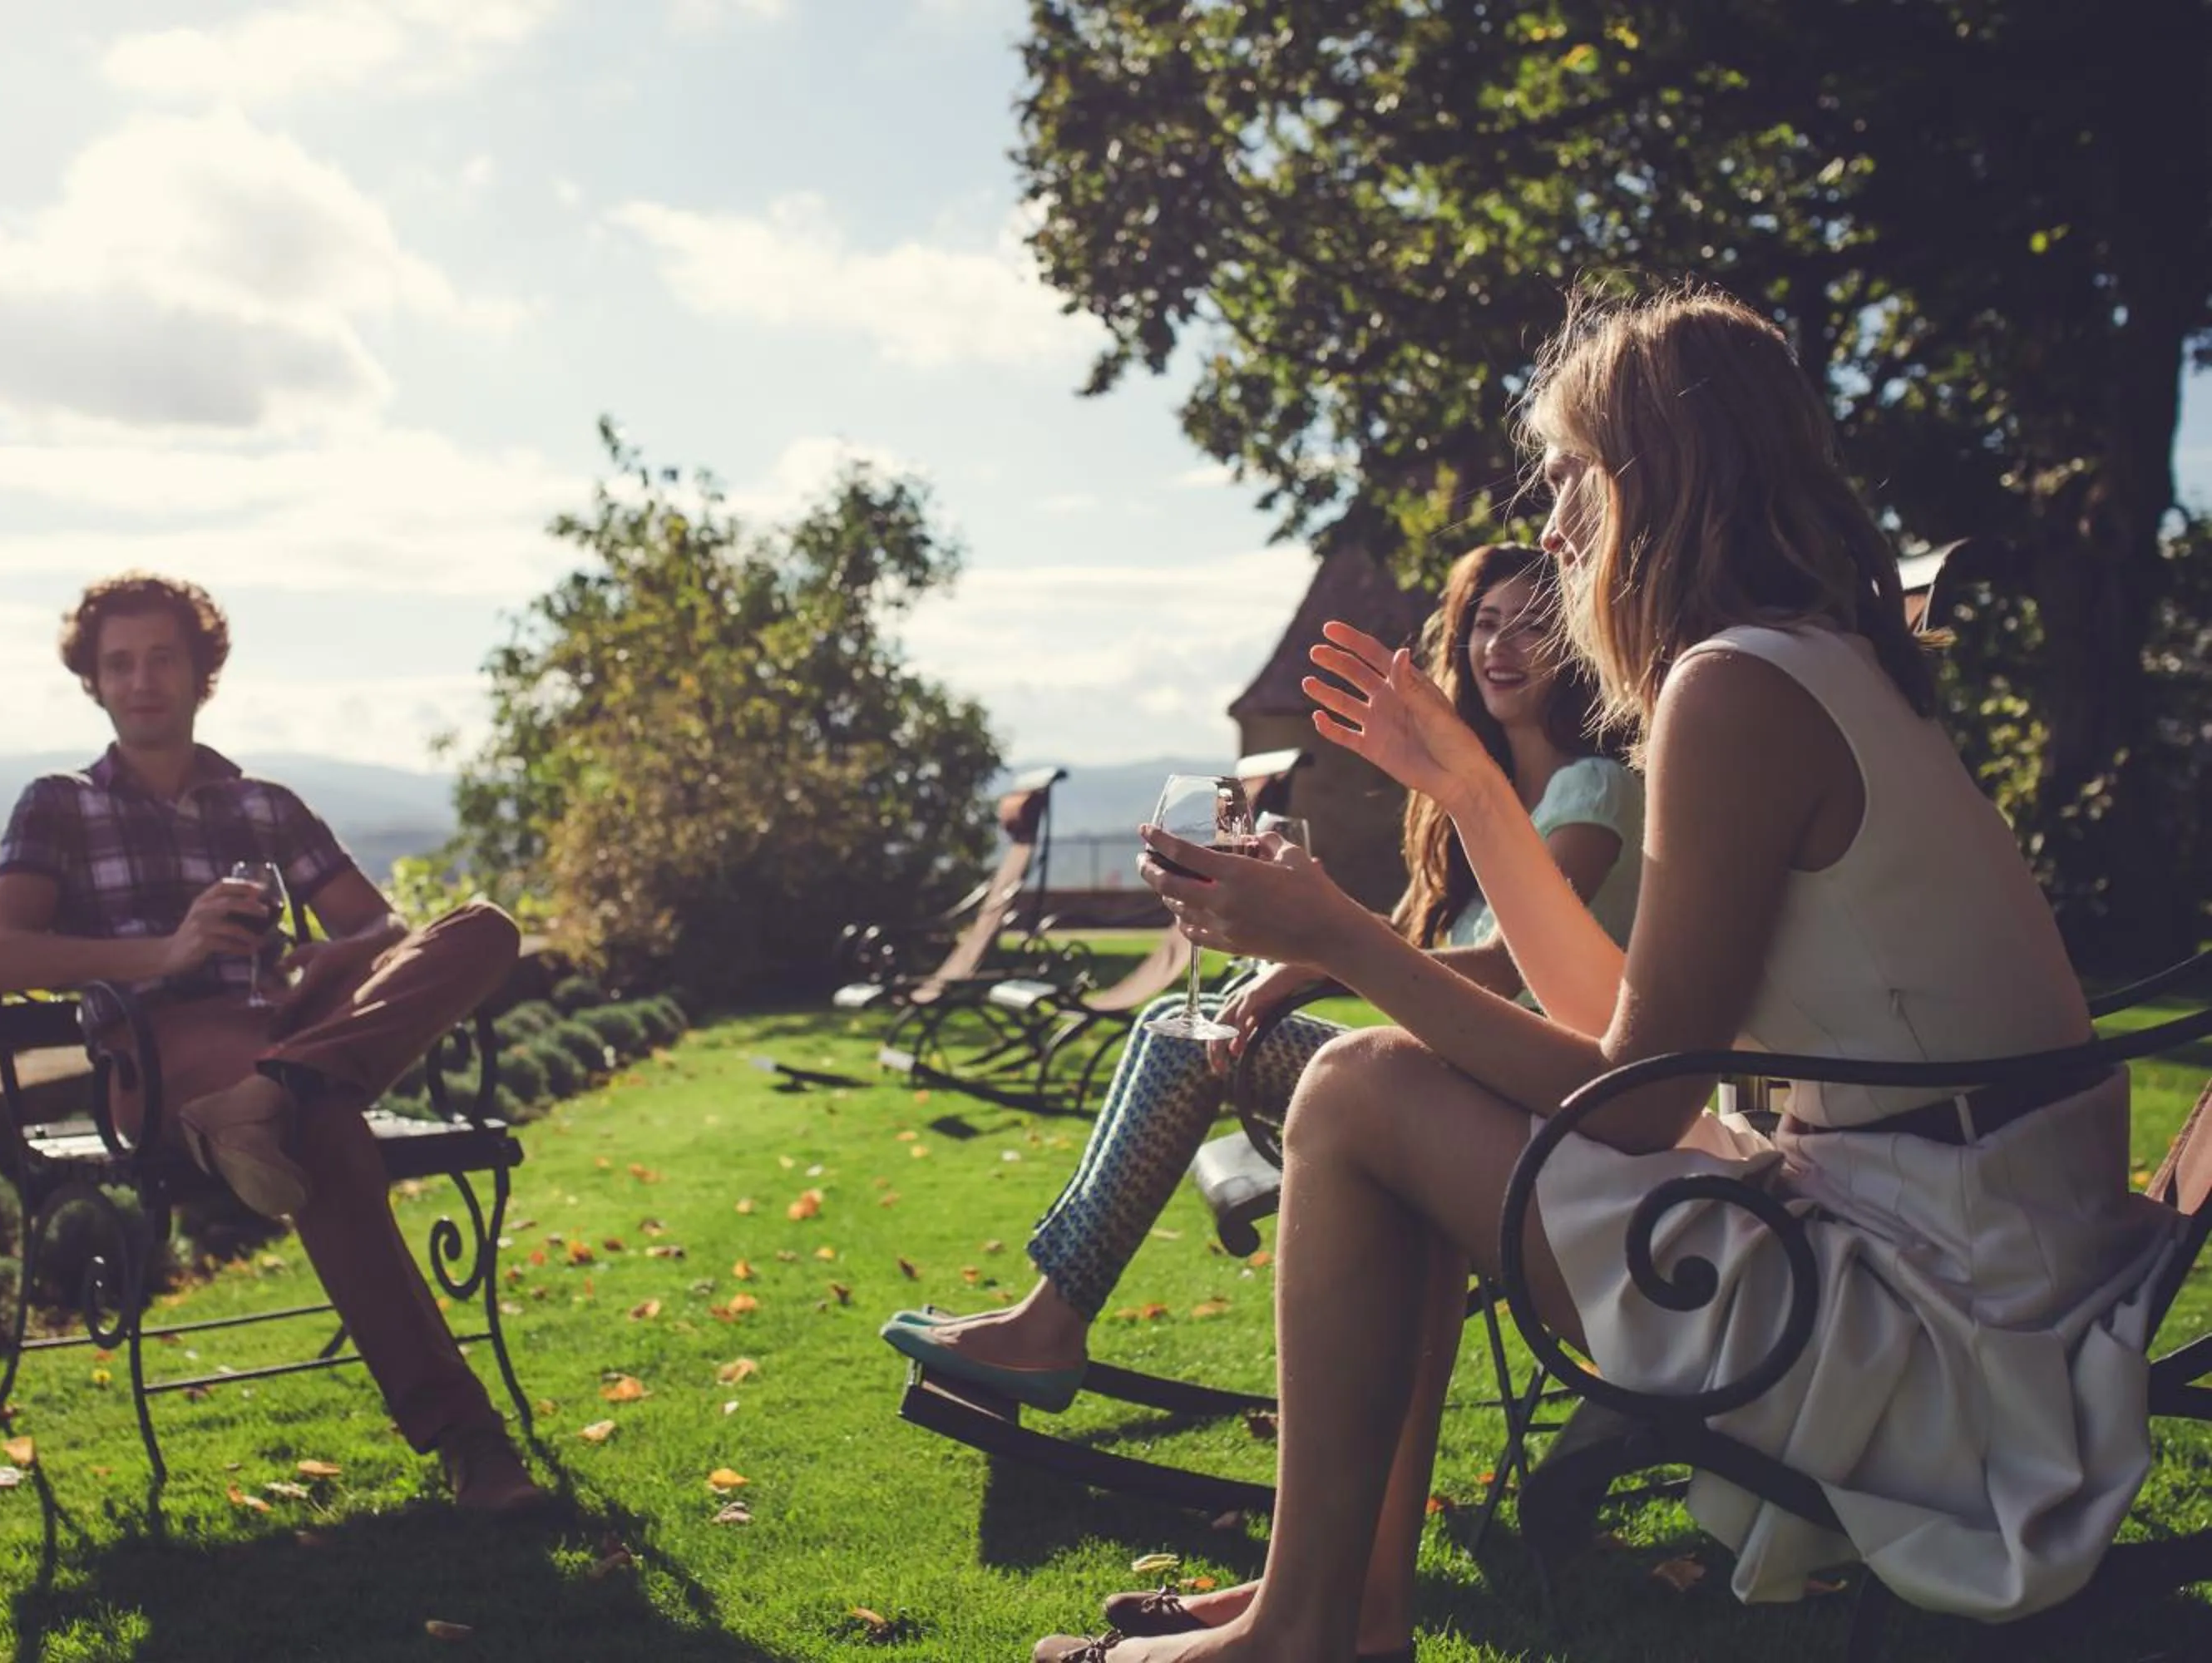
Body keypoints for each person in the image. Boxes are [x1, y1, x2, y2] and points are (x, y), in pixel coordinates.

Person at [1029, 287, 2174, 1663]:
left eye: (1573, 476)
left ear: (1659, 478)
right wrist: (1471, 789)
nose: (1558, 524)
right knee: (1385, 1094)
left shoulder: (1737, 689)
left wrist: (1337, 938)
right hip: (1977, 1264)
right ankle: (1339, 1603)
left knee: (1356, 1090)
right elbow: (1622, 1029)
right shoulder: (1811, 664)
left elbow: (1633, 1104)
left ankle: (1311, 1625)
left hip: (1937, 1334)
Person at [881, 544, 1642, 1427]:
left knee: (1193, 1042)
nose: (1501, 647)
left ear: (1577, 644)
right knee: (1182, 1022)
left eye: (1534, 625)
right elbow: (1412, 943)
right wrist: (1300, 935)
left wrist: (1322, 953)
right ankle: (1046, 1310)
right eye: (1487, 623)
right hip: (1461, 1076)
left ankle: (1048, 1323)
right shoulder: (1491, 798)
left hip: (1530, 1102)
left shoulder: (1593, 788)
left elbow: (1510, 966)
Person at [0, 572, 546, 1514]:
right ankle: (469, 1442)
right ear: (94, 680)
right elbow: (3, 956)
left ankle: (279, 1087)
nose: (142, 680)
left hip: (285, 1028)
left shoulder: (264, 804)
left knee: (483, 927)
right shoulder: (58, 804)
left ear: (202, 673)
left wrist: (326, 959)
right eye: (120, 663)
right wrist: (171, 950)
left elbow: (382, 927)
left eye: (164, 657)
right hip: (162, 1057)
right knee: (322, 1133)